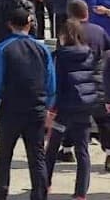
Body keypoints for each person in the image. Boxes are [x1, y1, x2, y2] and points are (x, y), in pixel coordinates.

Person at [0, 8, 55, 200]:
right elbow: (51, 80)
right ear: (29, 24)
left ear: (10, 25)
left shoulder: (2, 49)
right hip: (37, 108)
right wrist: (49, 106)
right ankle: (39, 193)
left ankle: (0, 190)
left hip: (11, 108)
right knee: (37, 154)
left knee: (4, 151)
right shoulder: (42, 49)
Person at [44, 17, 97, 199]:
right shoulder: (89, 53)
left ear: (63, 35)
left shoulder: (59, 56)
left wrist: (51, 109)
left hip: (63, 109)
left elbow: (56, 85)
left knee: (52, 147)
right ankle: (80, 192)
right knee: (82, 150)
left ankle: (46, 183)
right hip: (83, 106)